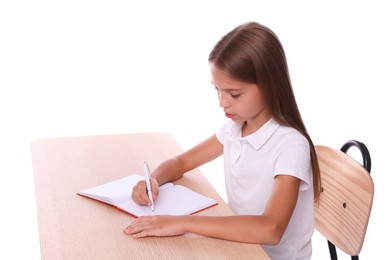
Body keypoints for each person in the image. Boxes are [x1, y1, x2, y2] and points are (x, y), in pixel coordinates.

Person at [123, 21, 321, 260]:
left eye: (234, 94)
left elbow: (271, 229)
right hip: (240, 248)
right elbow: (181, 162)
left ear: (270, 85)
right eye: (217, 90)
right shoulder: (234, 130)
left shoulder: (290, 146)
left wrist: (184, 223)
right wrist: (152, 180)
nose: (222, 102)